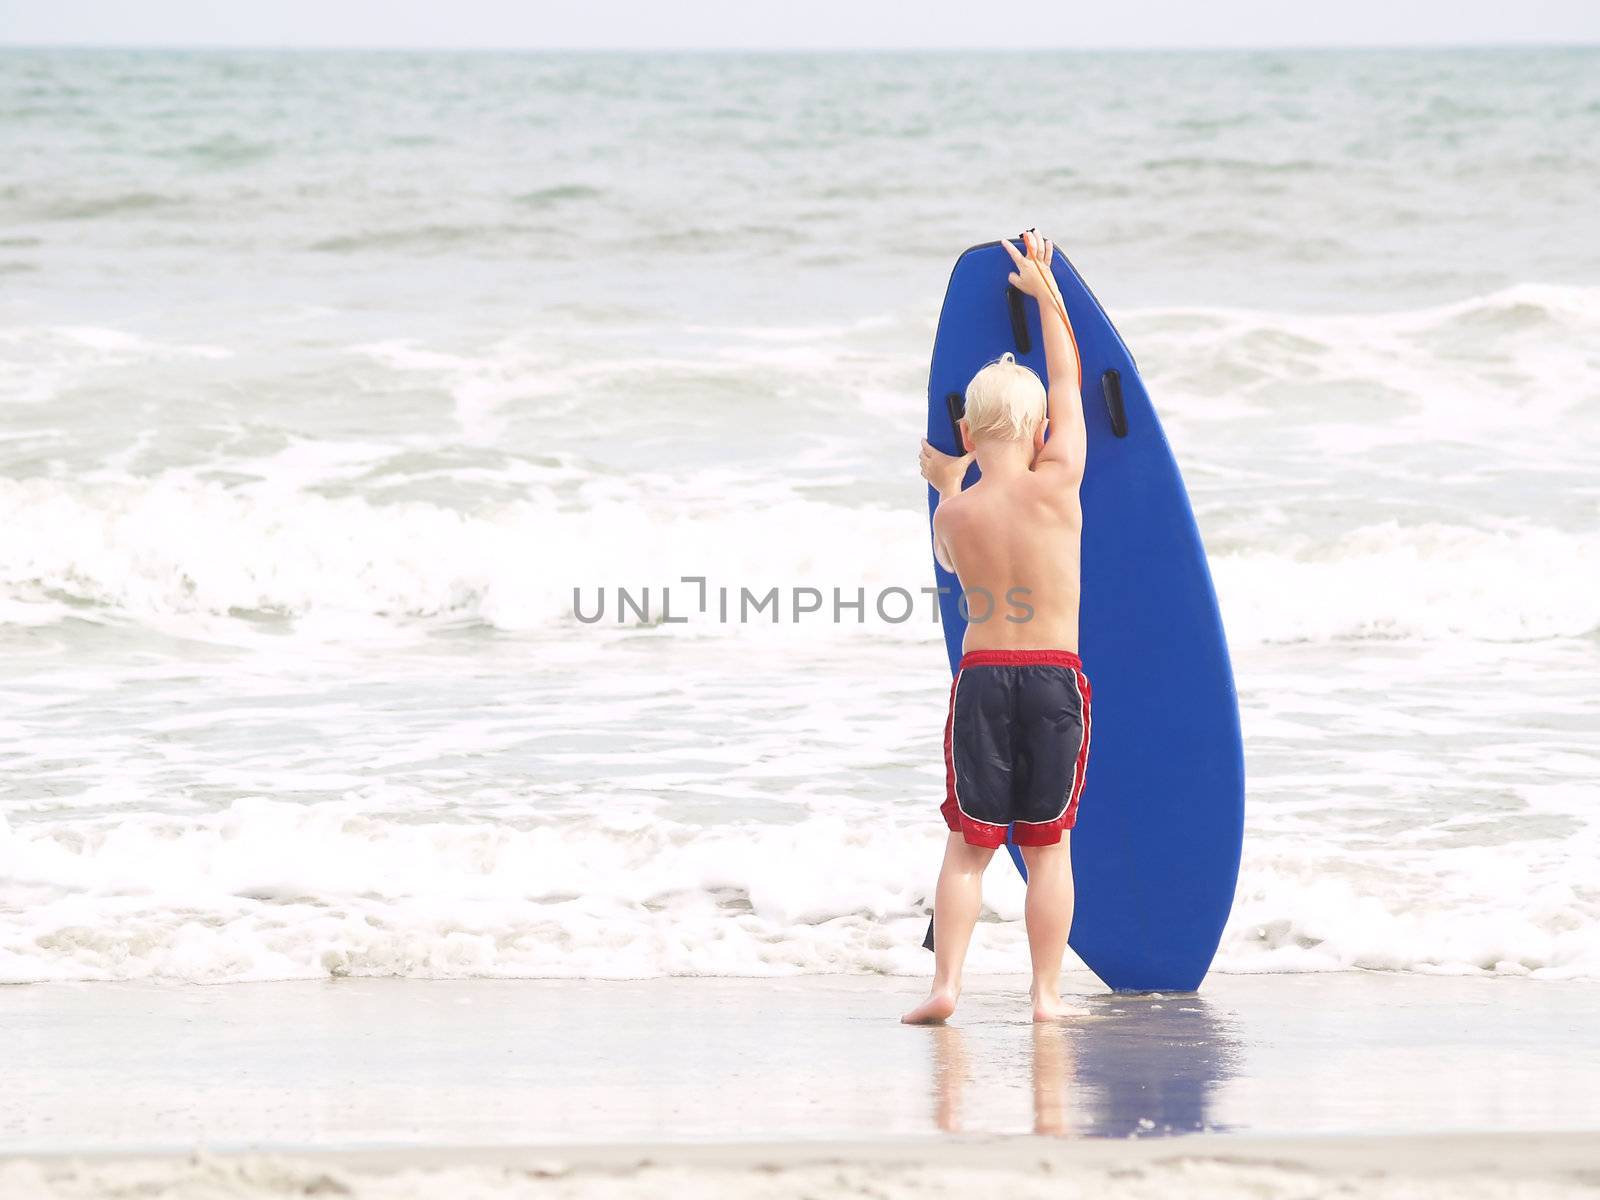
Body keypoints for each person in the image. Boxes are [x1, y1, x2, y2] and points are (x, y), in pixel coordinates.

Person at [904, 231, 1092, 1025]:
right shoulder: (1060, 482)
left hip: (981, 681)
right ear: (1040, 431)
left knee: (969, 847)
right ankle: (1045, 997)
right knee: (1048, 849)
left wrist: (949, 478)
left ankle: (946, 986)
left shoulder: (955, 510)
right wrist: (1045, 289)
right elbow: (1069, 378)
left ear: (972, 434)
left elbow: (949, 564)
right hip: (1053, 677)